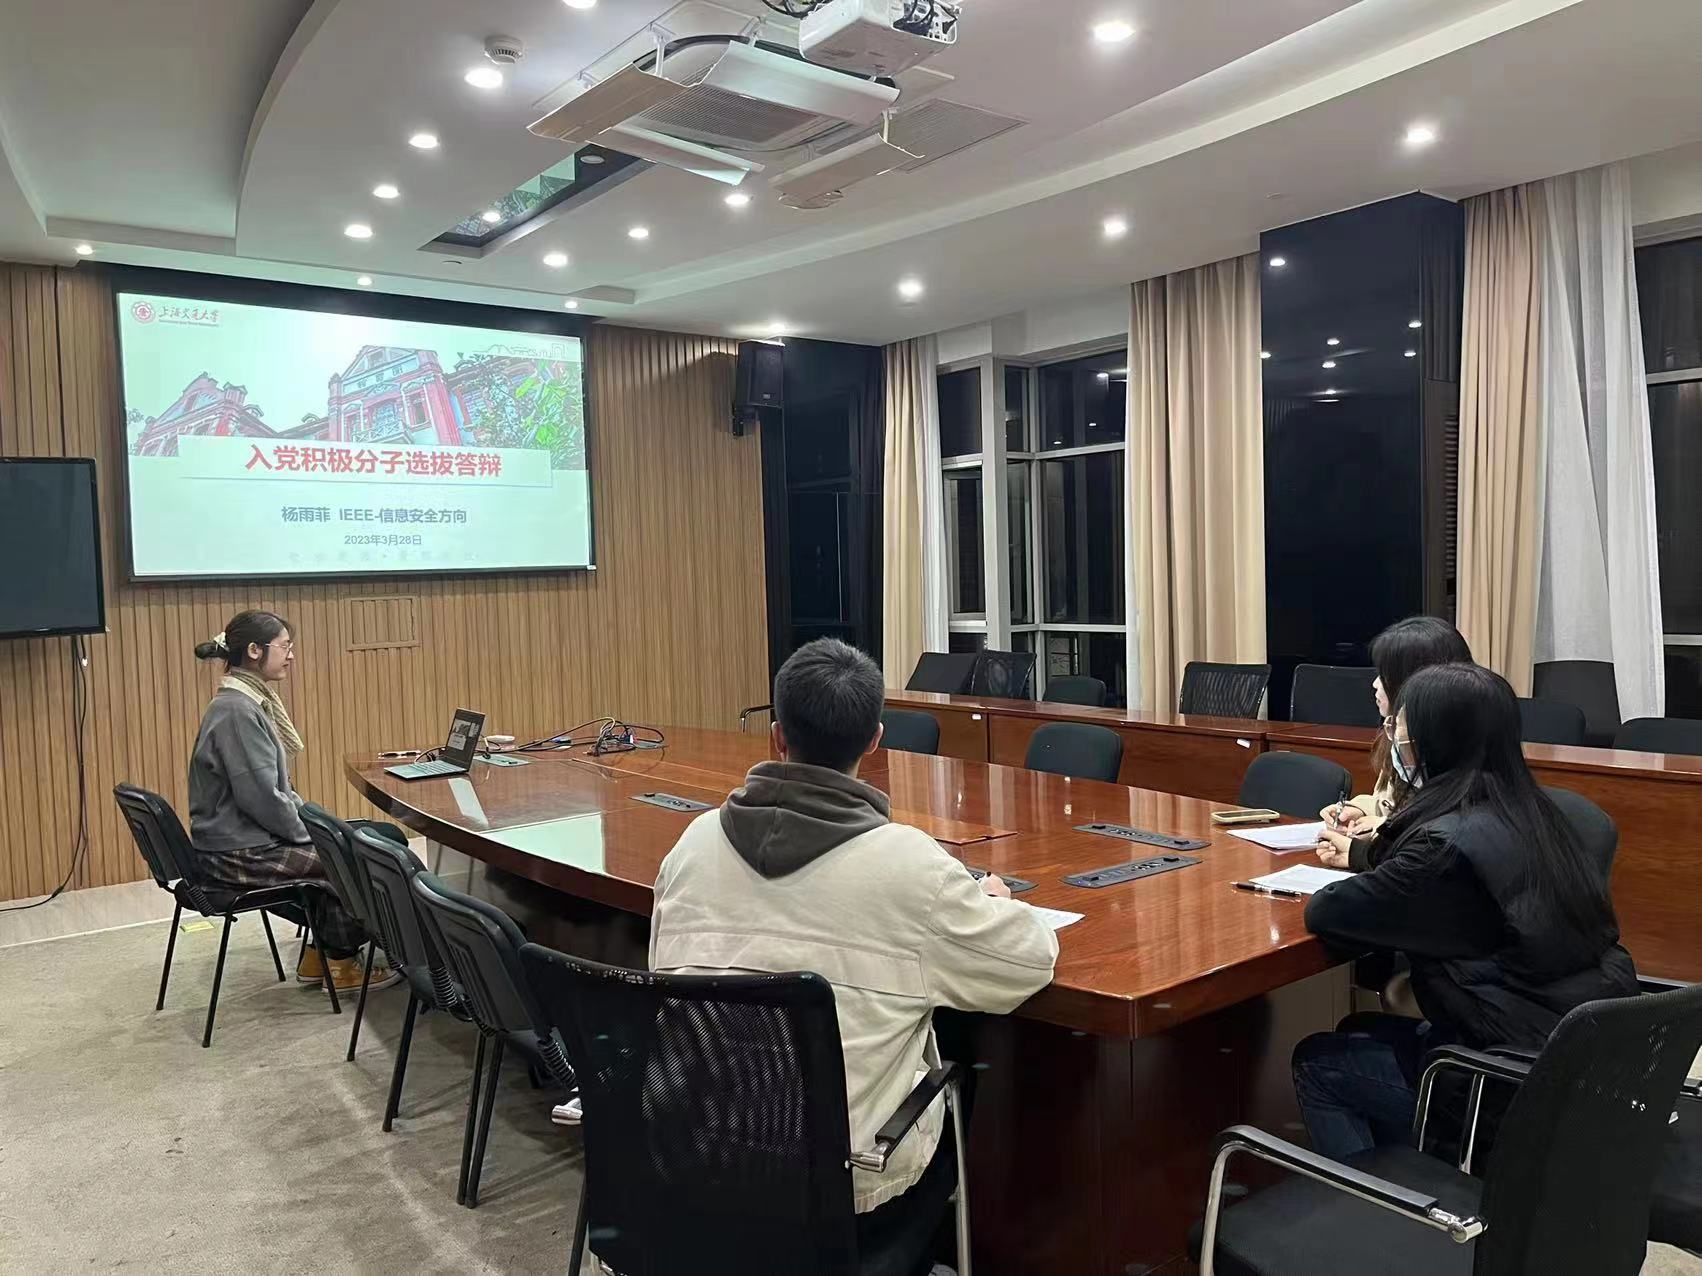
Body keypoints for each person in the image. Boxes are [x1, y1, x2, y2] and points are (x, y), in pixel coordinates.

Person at [649, 638, 1059, 1261]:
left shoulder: (692, 846)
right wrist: (996, 903)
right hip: (847, 1195)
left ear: (777, 737)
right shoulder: (910, 867)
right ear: (875, 741)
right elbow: (1028, 962)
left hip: (696, 1164)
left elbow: (663, 975)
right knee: (958, 1047)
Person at [1292, 663, 1638, 1161]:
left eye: (1398, 731)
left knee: (1318, 1061)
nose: (1392, 741)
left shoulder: (1442, 847)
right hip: (1579, 1055)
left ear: (1433, 745)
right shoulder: (1540, 812)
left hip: (1505, 1083)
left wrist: (1377, 851)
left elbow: (1328, 912)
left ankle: (1385, 1197)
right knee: (1359, 1031)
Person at [189, 610, 400, 993]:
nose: (291, 656)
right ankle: (341, 962)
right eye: (284, 647)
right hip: (240, 853)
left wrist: (320, 827)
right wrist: (315, 835)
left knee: (376, 836)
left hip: (246, 841)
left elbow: (273, 793)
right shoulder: (236, 711)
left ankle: (322, 955)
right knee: (357, 857)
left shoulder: (242, 702)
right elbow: (263, 800)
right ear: (255, 651)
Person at [1315, 616, 1474, 869]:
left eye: (1385, 675)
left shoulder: (1454, 747)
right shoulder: (1398, 735)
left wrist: (1384, 831)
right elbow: (1389, 803)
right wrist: (1360, 810)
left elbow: (1447, 834)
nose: (1375, 684)